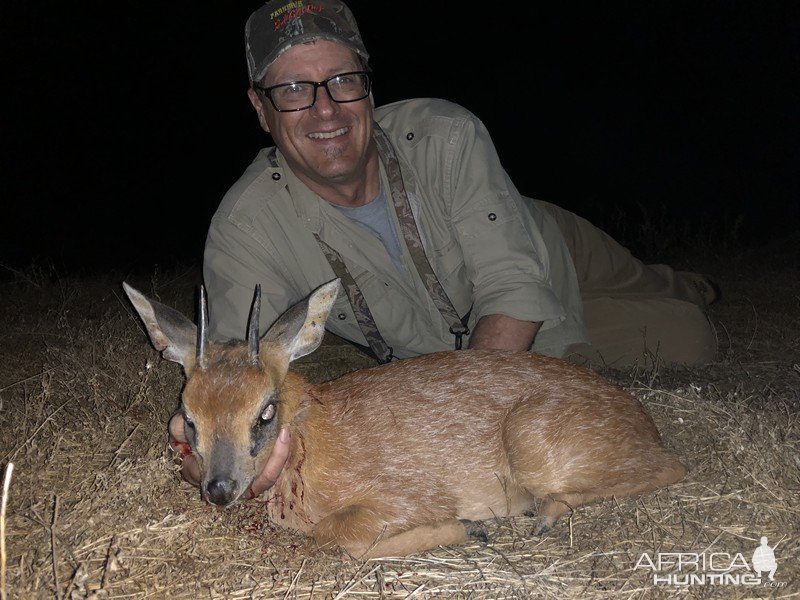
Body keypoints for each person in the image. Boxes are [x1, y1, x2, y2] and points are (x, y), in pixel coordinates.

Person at [170, 0, 719, 496]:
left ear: (368, 87)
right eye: (292, 91)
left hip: (547, 246)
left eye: (343, 80)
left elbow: (514, 288)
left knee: (656, 285)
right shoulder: (247, 224)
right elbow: (231, 369)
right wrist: (211, 450)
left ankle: (684, 279)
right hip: (462, 338)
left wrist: (475, 428)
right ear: (260, 109)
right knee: (687, 335)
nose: (326, 110)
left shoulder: (443, 134)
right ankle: (685, 295)